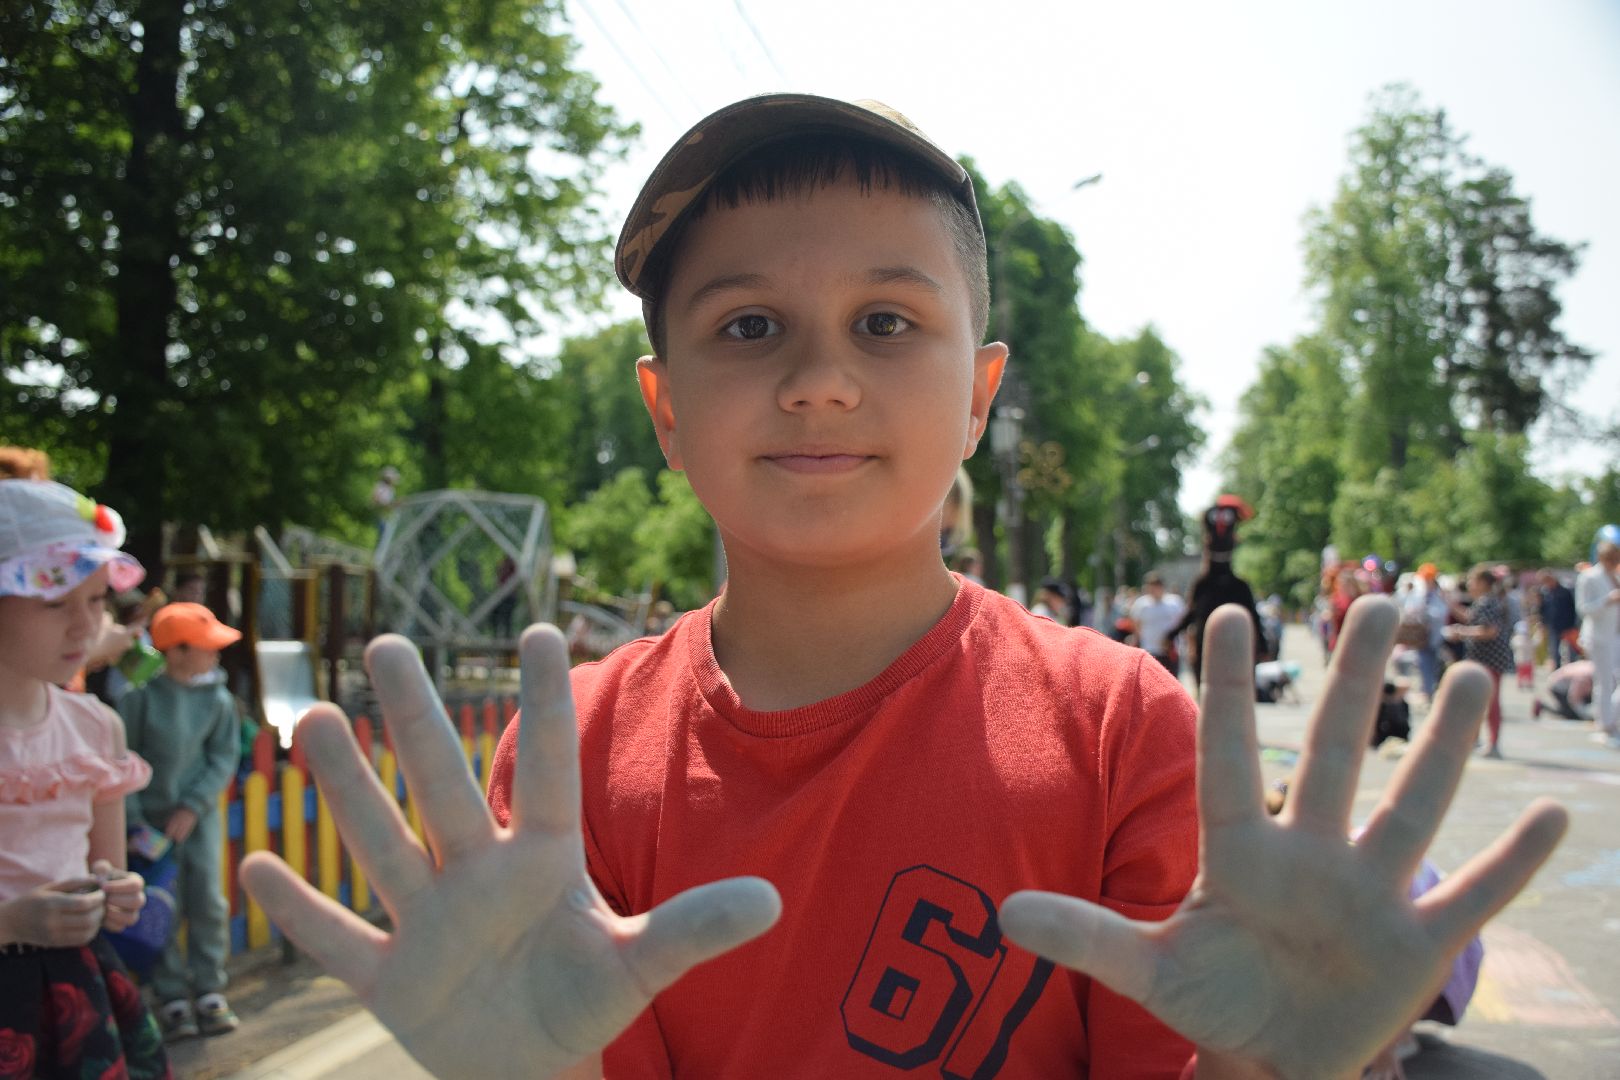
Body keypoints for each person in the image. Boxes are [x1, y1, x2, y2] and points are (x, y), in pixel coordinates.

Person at [239, 94, 1568, 1080]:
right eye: (747, 327)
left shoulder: (1123, 726)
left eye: (888, 322)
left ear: (980, 392)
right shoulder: (574, 752)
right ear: (663, 408)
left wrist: (1273, 1069)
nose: (819, 378)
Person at [0, 479, 171, 1078]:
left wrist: (116, 892)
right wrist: (10, 922)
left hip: (78, 986)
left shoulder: (97, 729)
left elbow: (107, 865)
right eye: (55, 602)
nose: (84, 626)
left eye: (97, 601)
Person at [119, 602, 245, 1041]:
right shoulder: (138, 700)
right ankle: (171, 994)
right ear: (175, 652)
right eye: (206, 647)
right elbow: (123, 762)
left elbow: (223, 757)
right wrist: (135, 822)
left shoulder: (219, 700)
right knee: (162, 906)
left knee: (208, 899)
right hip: (150, 829)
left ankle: (210, 989)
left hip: (199, 821)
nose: (215, 655)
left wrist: (193, 804)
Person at [1444, 566, 1514, 759]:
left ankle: (1492, 743)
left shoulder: (1487, 602)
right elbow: (1471, 618)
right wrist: (1451, 606)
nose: (1468, 584)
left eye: (1472, 580)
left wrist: (1461, 633)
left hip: (1489, 659)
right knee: (1480, 701)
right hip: (1484, 659)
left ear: (1483, 583)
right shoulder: (1484, 602)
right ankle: (1476, 740)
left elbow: (1489, 630)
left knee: (1489, 702)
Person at [1576, 539, 1620, 747]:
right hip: (1599, 636)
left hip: (1614, 636)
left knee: (1611, 681)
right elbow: (1584, 608)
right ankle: (1605, 723)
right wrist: (1607, 600)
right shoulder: (1589, 577)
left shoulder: (1615, 576)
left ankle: (1608, 719)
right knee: (1604, 681)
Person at [1401, 564, 1450, 705]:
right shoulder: (1417, 594)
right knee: (1424, 665)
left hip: (1436, 637)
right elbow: (1409, 611)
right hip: (1421, 638)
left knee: (1436, 666)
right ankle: (1429, 693)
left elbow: (1441, 613)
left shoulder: (1439, 594)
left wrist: (1427, 613)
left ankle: (1432, 692)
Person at [1131, 570, 1186, 675]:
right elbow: (1136, 624)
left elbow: (1182, 622)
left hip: (1170, 650)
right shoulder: (1141, 605)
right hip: (1150, 650)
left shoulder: (1174, 602)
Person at [1538, 570, 1578, 670]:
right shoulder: (1545, 593)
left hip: (1567, 626)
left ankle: (1571, 671)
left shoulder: (1565, 591)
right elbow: (1542, 609)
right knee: (1555, 651)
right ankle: (1558, 672)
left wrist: (1573, 625)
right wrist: (1543, 623)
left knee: (1571, 652)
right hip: (1553, 626)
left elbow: (1572, 608)